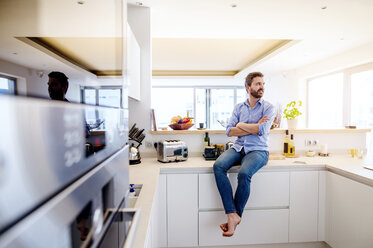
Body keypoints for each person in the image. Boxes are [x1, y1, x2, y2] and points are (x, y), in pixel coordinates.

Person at [213, 72, 275, 237]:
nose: (261, 87)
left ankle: (235, 216)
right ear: (248, 88)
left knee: (244, 173)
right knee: (218, 166)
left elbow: (261, 131)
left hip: (258, 150)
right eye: (257, 84)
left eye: (262, 84)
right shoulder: (238, 107)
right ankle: (232, 214)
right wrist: (252, 126)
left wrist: (241, 125)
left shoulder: (268, 107)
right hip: (239, 148)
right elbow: (229, 131)